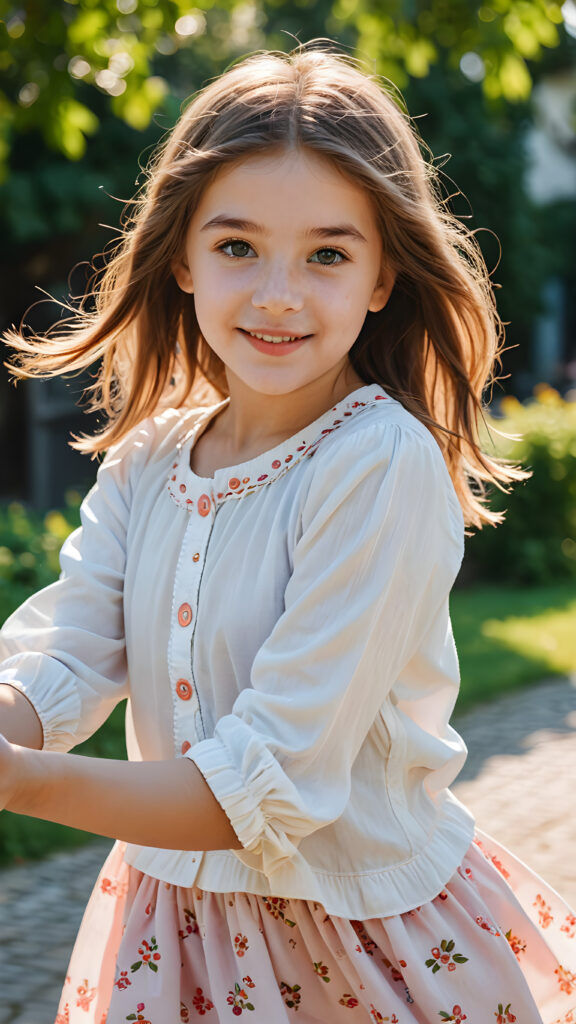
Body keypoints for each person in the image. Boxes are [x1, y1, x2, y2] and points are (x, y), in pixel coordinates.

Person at [0, 40, 574, 1024]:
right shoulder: (149, 459)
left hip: (364, 946)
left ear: (384, 275)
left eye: (327, 254)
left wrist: (21, 781)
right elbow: (67, 652)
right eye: (237, 247)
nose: (277, 293)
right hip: (170, 931)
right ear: (181, 256)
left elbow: (266, 781)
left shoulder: (377, 463)